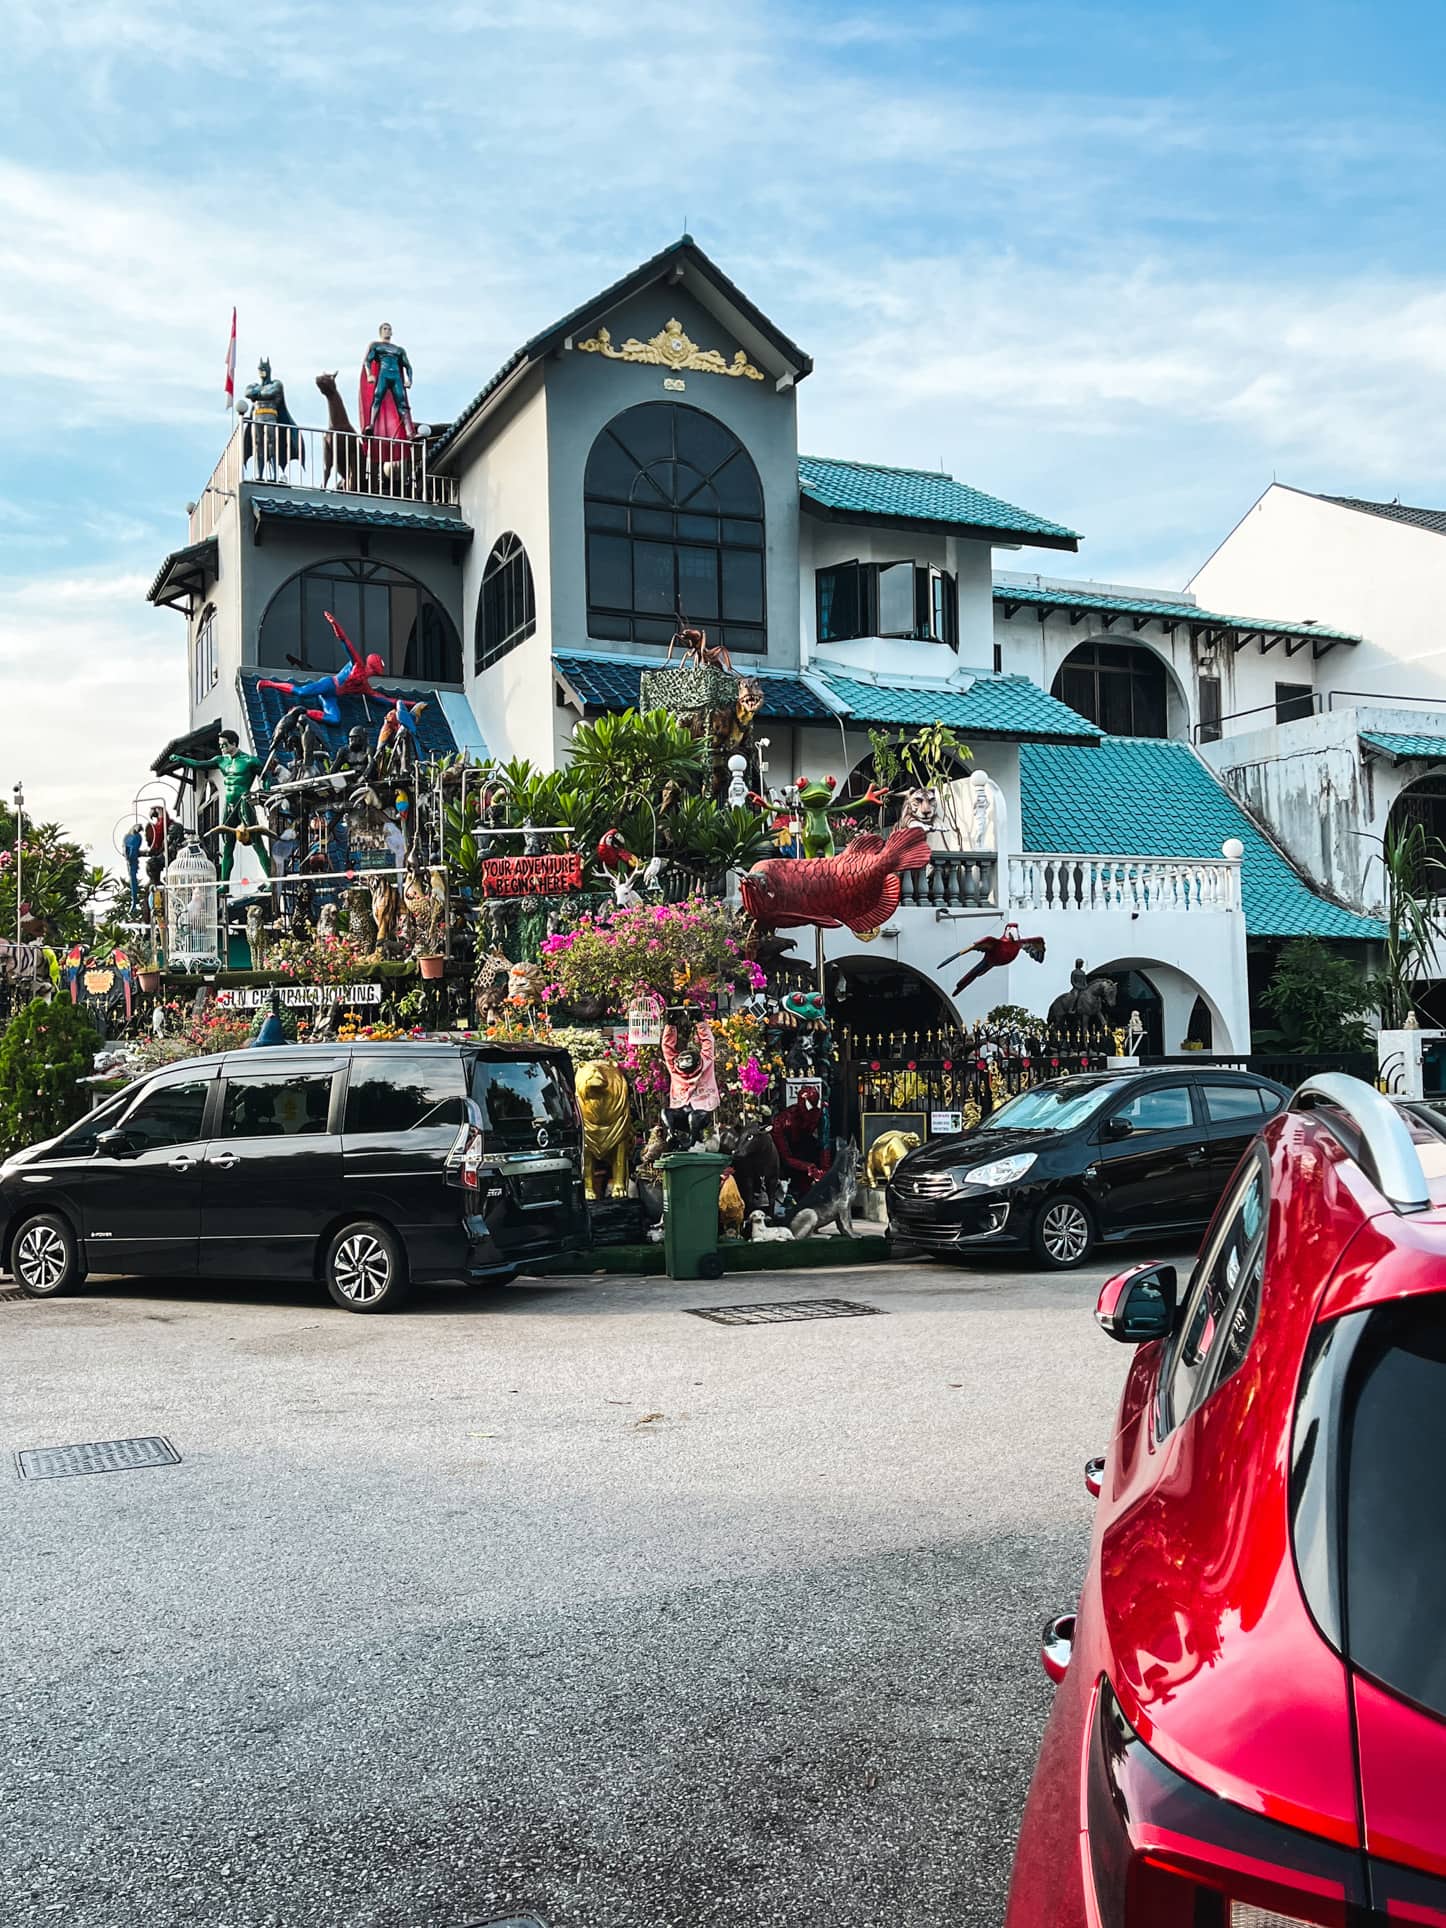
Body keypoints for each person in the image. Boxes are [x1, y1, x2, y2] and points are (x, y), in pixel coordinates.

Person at [258, 611, 421, 739]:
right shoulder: (357, 665)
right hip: (329, 684)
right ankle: (270, 684)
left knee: (335, 719)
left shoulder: (365, 687)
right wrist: (334, 624)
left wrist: (412, 703)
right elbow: (345, 642)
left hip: (332, 697)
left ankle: (302, 711)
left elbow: (387, 700)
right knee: (302, 692)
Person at [171, 731, 269, 883]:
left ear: (234, 744)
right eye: (220, 745)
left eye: (224, 744)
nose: (221, 747)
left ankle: (271, 879)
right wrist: (182, 760)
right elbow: (199, 764)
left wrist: (264, 795)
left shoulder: (250, 761)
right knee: (227, 844)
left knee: (256, 841)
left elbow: (266, 776)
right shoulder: (220, 760)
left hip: (243, 803)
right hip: (229, 805)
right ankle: (225, 883)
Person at [361, 322, 414, 437]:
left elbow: (408, 366)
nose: (388, 331)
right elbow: (367, 361)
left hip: (396, 377)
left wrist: (409, 380)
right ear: (381, 331)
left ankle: (410, 432)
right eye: (385, 329)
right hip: (384, 375)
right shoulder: (376, 345)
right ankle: (370, 425)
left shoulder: (399, 350)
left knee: (401, 402)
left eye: (389, 329)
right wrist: (369, 374)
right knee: (377, 396)